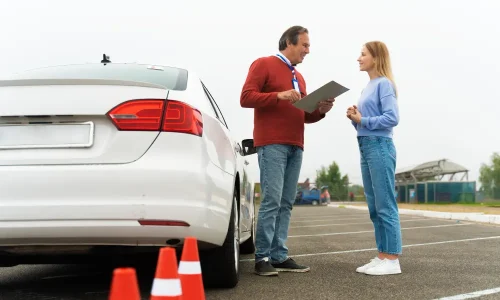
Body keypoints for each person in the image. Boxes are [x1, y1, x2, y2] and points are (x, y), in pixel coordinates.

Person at [240, 25, 334, 276]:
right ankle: (262, 258)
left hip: (296, 144)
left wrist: (321, 110)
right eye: (304, 45)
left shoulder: (299, 77)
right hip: (272, 143)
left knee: (285, 202)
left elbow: (304, 114)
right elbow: (246, 97)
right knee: (271, 200)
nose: (308, 51)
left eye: (308, 46)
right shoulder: (263, 64)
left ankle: (279, 255)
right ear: (288, 43)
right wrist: (278, 95)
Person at [346, 41, 402, 276]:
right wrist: (354, 117)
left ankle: (392, 260)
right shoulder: (368, 86)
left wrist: (363, 121)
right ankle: (382, 255)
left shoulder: (384, 84)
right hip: (366, 145)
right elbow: (365, 122)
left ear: (376, 58)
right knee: (374, 206)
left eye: (363, 54)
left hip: (379, 146)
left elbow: (392, 118)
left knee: (385, 204)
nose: (358, 58)